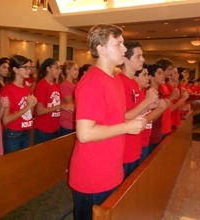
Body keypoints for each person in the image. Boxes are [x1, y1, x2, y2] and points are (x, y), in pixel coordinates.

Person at [68, 24, 146, 220]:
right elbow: (85, 134)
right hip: (92, 174)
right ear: (101, 49)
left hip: (111, 168)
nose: (124, 49)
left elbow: (117, 117)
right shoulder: (92, 82)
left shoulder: (116, 80)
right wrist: (127, 127)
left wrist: (132, 119)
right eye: (118, 44)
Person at [118, 41, 159, 178]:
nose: (143, 59)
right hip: (124, 148)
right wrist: (146, 102)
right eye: (138, 56)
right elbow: (123, 116)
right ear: (125, 59)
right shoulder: (120, 82)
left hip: (135, 145)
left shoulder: (133, 83)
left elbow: (134, 112)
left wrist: (148, 106)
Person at [1, 55, 37, 154]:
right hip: (14, 133)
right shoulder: (8, 89)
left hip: (27, 131)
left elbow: (29, 114)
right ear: (15, 70)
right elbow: (6, 120)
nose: (29, 70)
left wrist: (32, 105)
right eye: (25, 67)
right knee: (12, 165)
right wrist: (27, 107)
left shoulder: (26, 88)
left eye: (29, 67)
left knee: (23, 163)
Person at [33, 58, 74, 144]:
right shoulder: (42, 85)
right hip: (44, 130)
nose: (59, 71)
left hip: (55, 127)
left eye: (59, 68)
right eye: (57, 68)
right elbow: (39, 111)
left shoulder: (56, 85)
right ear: (48, 69)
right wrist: (61, 106)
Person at [59, 60, 78, 135]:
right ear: (67, 70)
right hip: (67, 123)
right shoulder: (65, 85)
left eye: (78, 69)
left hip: (74, 121)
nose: (77, 72)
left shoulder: (75, 85)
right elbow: (71, 105)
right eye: (75, 69)